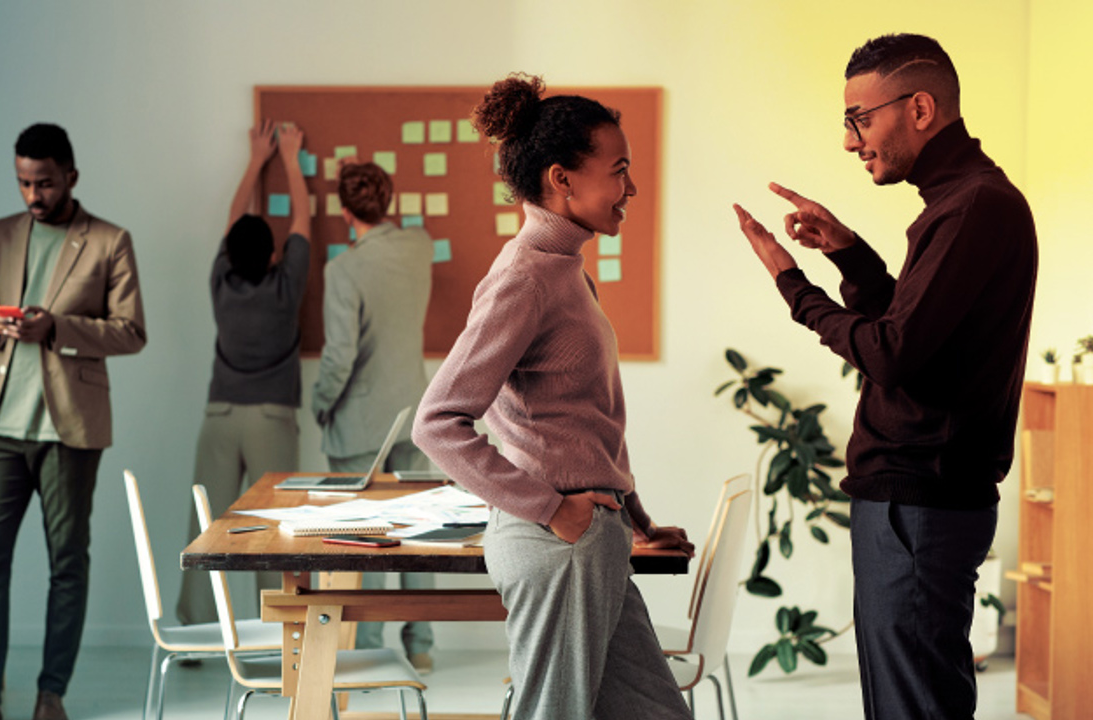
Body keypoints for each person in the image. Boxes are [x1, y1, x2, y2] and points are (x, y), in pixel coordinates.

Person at [733, 34, 1037, 720]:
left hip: (920, 504)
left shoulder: (973, 206)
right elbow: (922, 339)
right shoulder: (961, 202)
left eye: (859, 119)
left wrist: (793, 284)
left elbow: (892, 353)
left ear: (921, 108)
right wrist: (850, 254)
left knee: (912, 708)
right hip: (917, 503)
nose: (850, 142)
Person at [412, 73, 694, 720]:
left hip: (595, 535)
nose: (632, 188)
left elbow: (582, 423)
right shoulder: (526, 277)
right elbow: (438, 423)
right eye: (618, 170)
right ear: (561, 178)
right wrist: (550, 509)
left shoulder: (564, 268)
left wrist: (635, 514)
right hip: (558, 543)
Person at [0, 123, 147, 720]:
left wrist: (57, 329)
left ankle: (51, 695)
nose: (33, 195)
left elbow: (131, 332)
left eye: (43, 182)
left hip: (69, 431)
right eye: (23, 183)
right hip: (0, 427)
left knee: (67, 563)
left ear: (71, 176)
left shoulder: (110, 241)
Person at [176, 120, 311, 624]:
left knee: (206, 522)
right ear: (275, 255)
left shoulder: (222, 282)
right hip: (272, 419)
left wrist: (258, 157)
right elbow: (303, 220)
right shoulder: (286, 287)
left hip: (220, 414)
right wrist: (293, 159)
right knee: (275, 526)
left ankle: (192, 625)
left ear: (230, 252)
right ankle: (279, 626)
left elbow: (236, 218)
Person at [310, 160, 436, 672]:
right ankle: (421, 646)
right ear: (388, 203)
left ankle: (367, 647)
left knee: (362, 536)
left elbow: (339, 357)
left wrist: (320, 403)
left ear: (343, 212)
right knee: (418, 529)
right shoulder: (420, 247)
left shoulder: (342, 270)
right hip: (414, 410)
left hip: (361, 422)